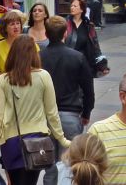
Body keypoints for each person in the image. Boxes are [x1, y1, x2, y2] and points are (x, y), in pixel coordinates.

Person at [0, 34, 70, 185]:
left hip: (11, 141)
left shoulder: (3, 80)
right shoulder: (44, 76)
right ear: (33, 53)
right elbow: (52, 112)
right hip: (36, 139)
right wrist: (61, 138)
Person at [40, 16, 95, 185]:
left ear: (46, 34)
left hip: (45, 117)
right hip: (70, 114)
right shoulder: (77, 57)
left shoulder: (38, 57)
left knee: (49, 165)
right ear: (66, 33)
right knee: (69, 163)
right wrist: (86, 112)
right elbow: (88, 89)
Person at [65, 0, 105, 78]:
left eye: (75, 6)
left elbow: (95, 44)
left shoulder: (88, 26)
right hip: (69, 61)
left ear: (82, 9)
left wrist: (101, 61)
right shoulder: (65, 24)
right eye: (71, 6)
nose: (72, 8)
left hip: (85, 63)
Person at [0, 9, 27, 88]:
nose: (16, 26)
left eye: (18, 23)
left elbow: (38, 71)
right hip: (5, 90)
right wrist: (7, 75)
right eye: (12, 24)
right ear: (5, 28)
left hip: (26, 89)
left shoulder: (31, 44)